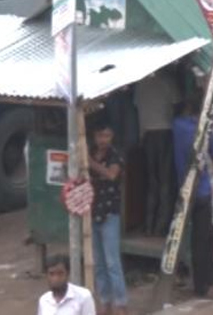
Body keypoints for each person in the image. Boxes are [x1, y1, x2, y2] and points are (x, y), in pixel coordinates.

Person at [172, 97, 213, 299]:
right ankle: (204, 286)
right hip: (202, 192)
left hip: (184, 190)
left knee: (199, 237)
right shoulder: (207, 131)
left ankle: (205, 281)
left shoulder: (177, 126)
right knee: (203, 240)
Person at [87, 122, 127, 315]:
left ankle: (120, 304)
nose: (103, 140)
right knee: (99, 263)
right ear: (94, 136)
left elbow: (112, 174)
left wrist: (89, 163)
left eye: (107, 136)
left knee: (113, 263)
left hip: (110, 213)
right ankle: (105, 303)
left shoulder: (115, 155)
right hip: (92, 212)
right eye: (101, 136)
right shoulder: (90, 153)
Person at [135, 69, 179, 235]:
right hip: (165, 133)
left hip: (147, 135)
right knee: (165, 181)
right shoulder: (168, 81)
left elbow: (138, 108)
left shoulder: (140, 84)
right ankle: (162, 226)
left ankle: (148, 225)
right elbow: (177, 104)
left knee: (152, 182)